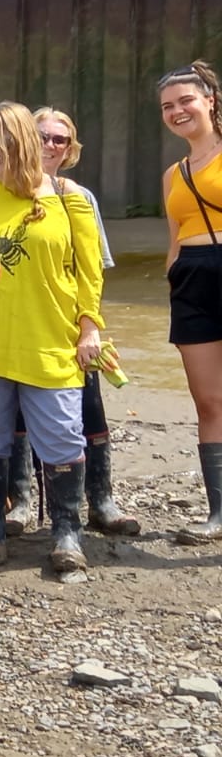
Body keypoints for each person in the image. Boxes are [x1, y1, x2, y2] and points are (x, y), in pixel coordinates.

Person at [0, 102, 105, 575]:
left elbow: (88, 275)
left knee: (64, 437)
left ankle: (67, 532)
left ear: (23, 142)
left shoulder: (69, 202)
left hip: (51, 343)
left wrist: (90, 328)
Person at [22, 108, 138, 536]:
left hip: (68, 325)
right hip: (17, 322)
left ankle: (101, 501)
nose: (50, 146)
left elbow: (95, 269)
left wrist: (90, 326)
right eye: (42, 137)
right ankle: (23, 502)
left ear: (70, 150)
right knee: (17, 414)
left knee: (88, 410)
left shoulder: (79, 197)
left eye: (60, 140)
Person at [159, 61, 222, 544]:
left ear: (210, 100)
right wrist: (174, 280)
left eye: (186, 101)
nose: (177, 111)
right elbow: (176, 237)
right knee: (209, 402)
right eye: (168, 106)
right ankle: (218, 513)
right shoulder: (173, 173)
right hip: (192, 281)